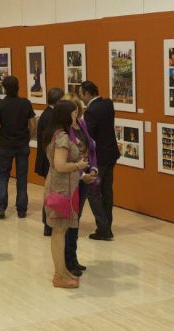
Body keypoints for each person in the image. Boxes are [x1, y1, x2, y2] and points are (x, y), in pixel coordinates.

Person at [43, 100, 88, 288]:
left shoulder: (58, 135)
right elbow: (60, 165)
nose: (75, 116)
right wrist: (78, 166)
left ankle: (61, 270)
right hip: (61, 189)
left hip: (65, 188)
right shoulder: (61, 138)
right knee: (59, 231)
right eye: (73, 113)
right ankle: (59, 274)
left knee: (60, 231)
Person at [59, 93, 98, 277]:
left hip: (84, 177)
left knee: (76, 219)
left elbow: (90, 148)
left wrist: (93, 170)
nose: (75, 113)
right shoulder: (63, 132)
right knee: (69, 221)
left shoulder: (82, 124)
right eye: (72, 110)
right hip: (71, 179)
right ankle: (66, 260)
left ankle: (73, 257)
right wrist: (81, 174)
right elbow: (64, 160)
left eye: (76, 109)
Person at [80, 81, 120, 240]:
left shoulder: (91, 111)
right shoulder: (108, 104)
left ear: (88, 93)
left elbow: (89, 137)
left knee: (93, 191)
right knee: (107, 190)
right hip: (111, 154)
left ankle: (103, 228)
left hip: (99, 158)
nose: (82, 99)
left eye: (82, 94)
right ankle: (107, 224)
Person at [0, 75, 36, 219]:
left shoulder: (0, 104)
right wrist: (28, 138)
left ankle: (1, 207)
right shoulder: (25, 103)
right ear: (18, 87)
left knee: (3, 175)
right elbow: (33, 124)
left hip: (6, 144)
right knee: (22, 177)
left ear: (4, 88)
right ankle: (22, 209)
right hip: (22, 144)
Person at [35, 88, 64, 236]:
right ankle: (48, 224)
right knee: (51, 193)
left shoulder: (46, 114)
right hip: (49, 161)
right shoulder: (50, 117)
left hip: (47, 160)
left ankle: (49, 223)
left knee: (51, 192)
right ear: (58, 101)